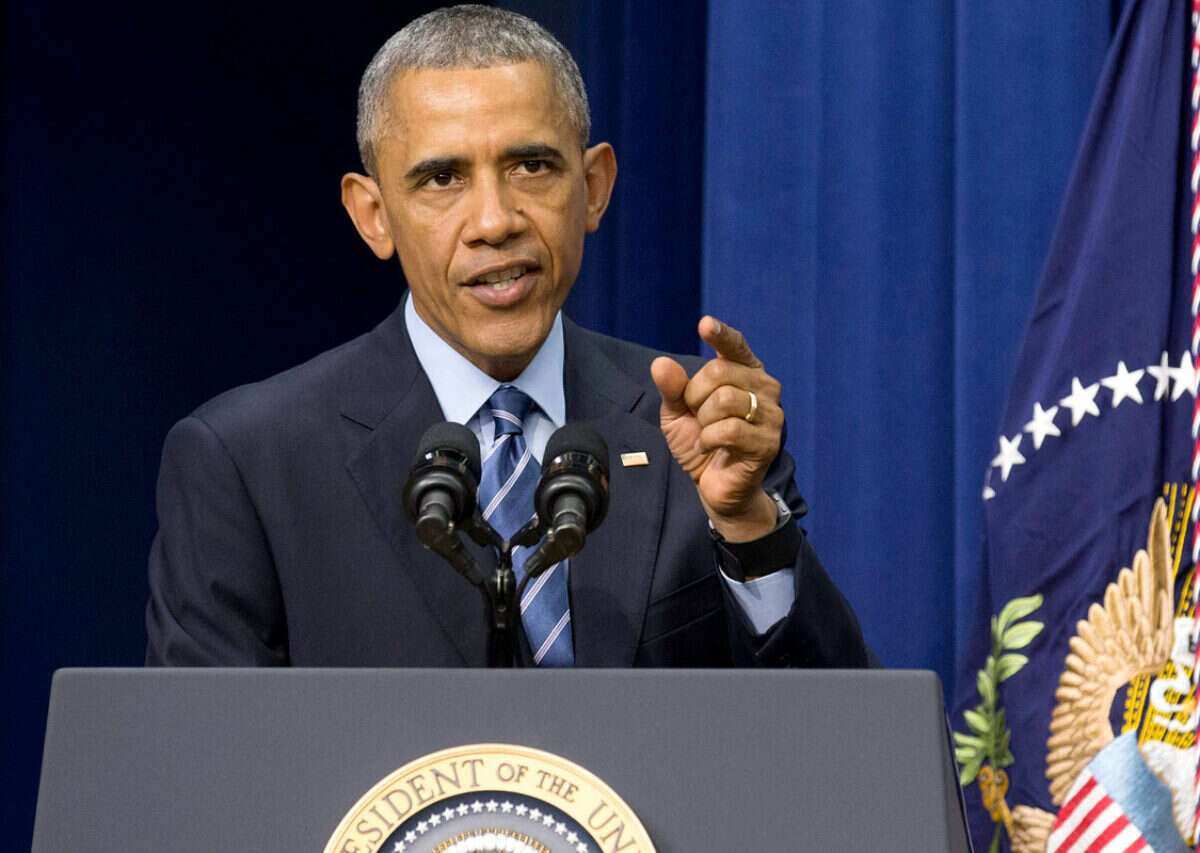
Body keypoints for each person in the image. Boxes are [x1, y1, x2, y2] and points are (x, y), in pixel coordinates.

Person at [145, 5, 870, 668]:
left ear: (594, 187)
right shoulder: (248, 464)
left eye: (532, 166)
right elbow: (208, 758)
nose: (494, 221)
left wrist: (749, 527)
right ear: (373, 215)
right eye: (441, 179)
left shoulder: (704, 430)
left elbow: (839, 734)